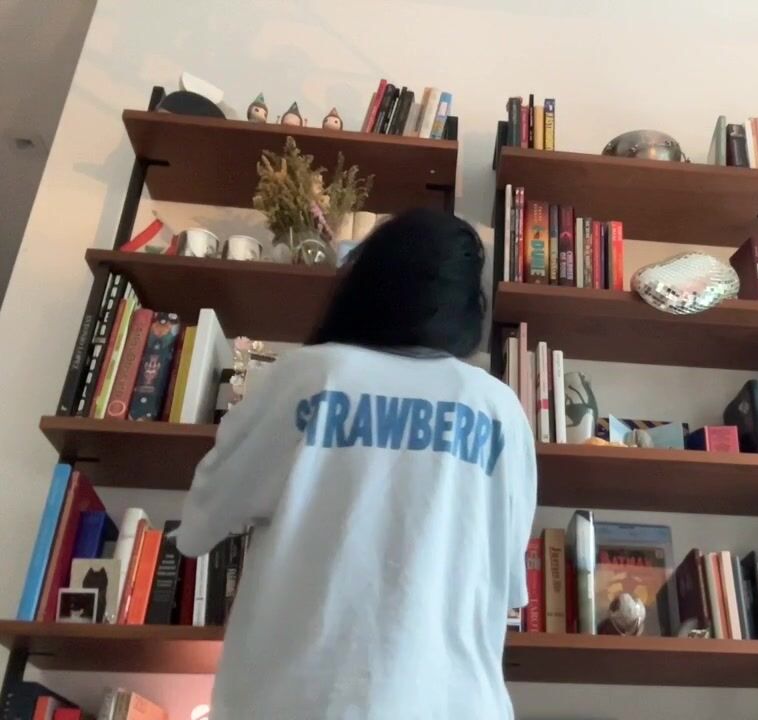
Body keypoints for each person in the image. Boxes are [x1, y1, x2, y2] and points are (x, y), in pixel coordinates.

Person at [176, 209, 537, 720]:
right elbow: (510, 582)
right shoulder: (499, 409)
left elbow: (201, 523)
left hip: (298, 702)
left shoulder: (306, 377)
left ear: (368, 283)